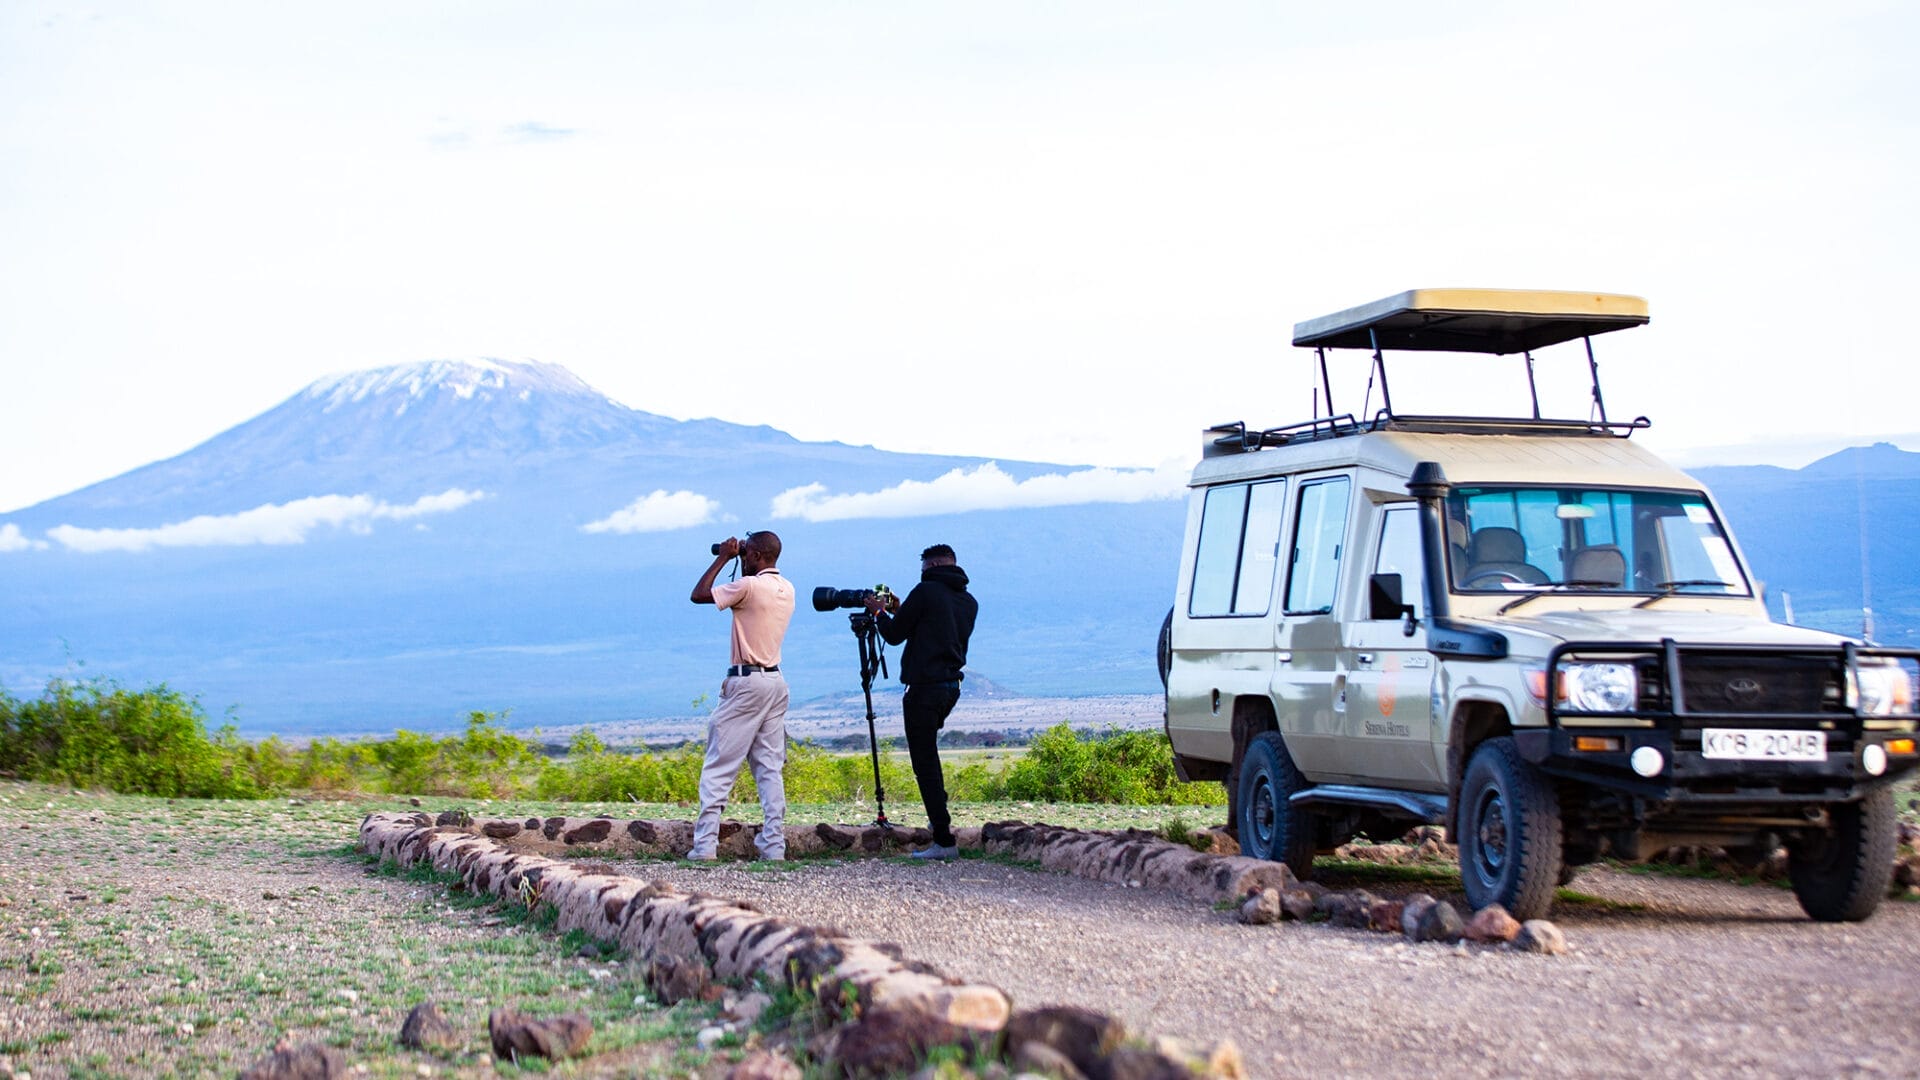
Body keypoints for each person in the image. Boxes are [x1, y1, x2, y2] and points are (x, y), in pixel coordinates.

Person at [865, 543, 978, 860]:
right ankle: (937, 816)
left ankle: (943, 840)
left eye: (923, 570)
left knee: (924, 763)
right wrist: (900, 609)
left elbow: (893, 636)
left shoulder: (926, 591)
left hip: (924, 689)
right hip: (950, 687)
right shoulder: (967, 601)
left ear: (931, 567)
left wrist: (878, 612)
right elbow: (933, 628)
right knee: (930, 756)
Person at [688, 531, 795, 861]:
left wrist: (723, 557)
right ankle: (773, 846)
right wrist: (739, 555)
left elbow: (699, 594)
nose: (742, 557)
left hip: (746, 682)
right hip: (775, 682)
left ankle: (705, 845)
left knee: (719, 765)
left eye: (746, 553)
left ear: (758, 556)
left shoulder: (749, 586)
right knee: (769, 768)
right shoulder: (787, 588)